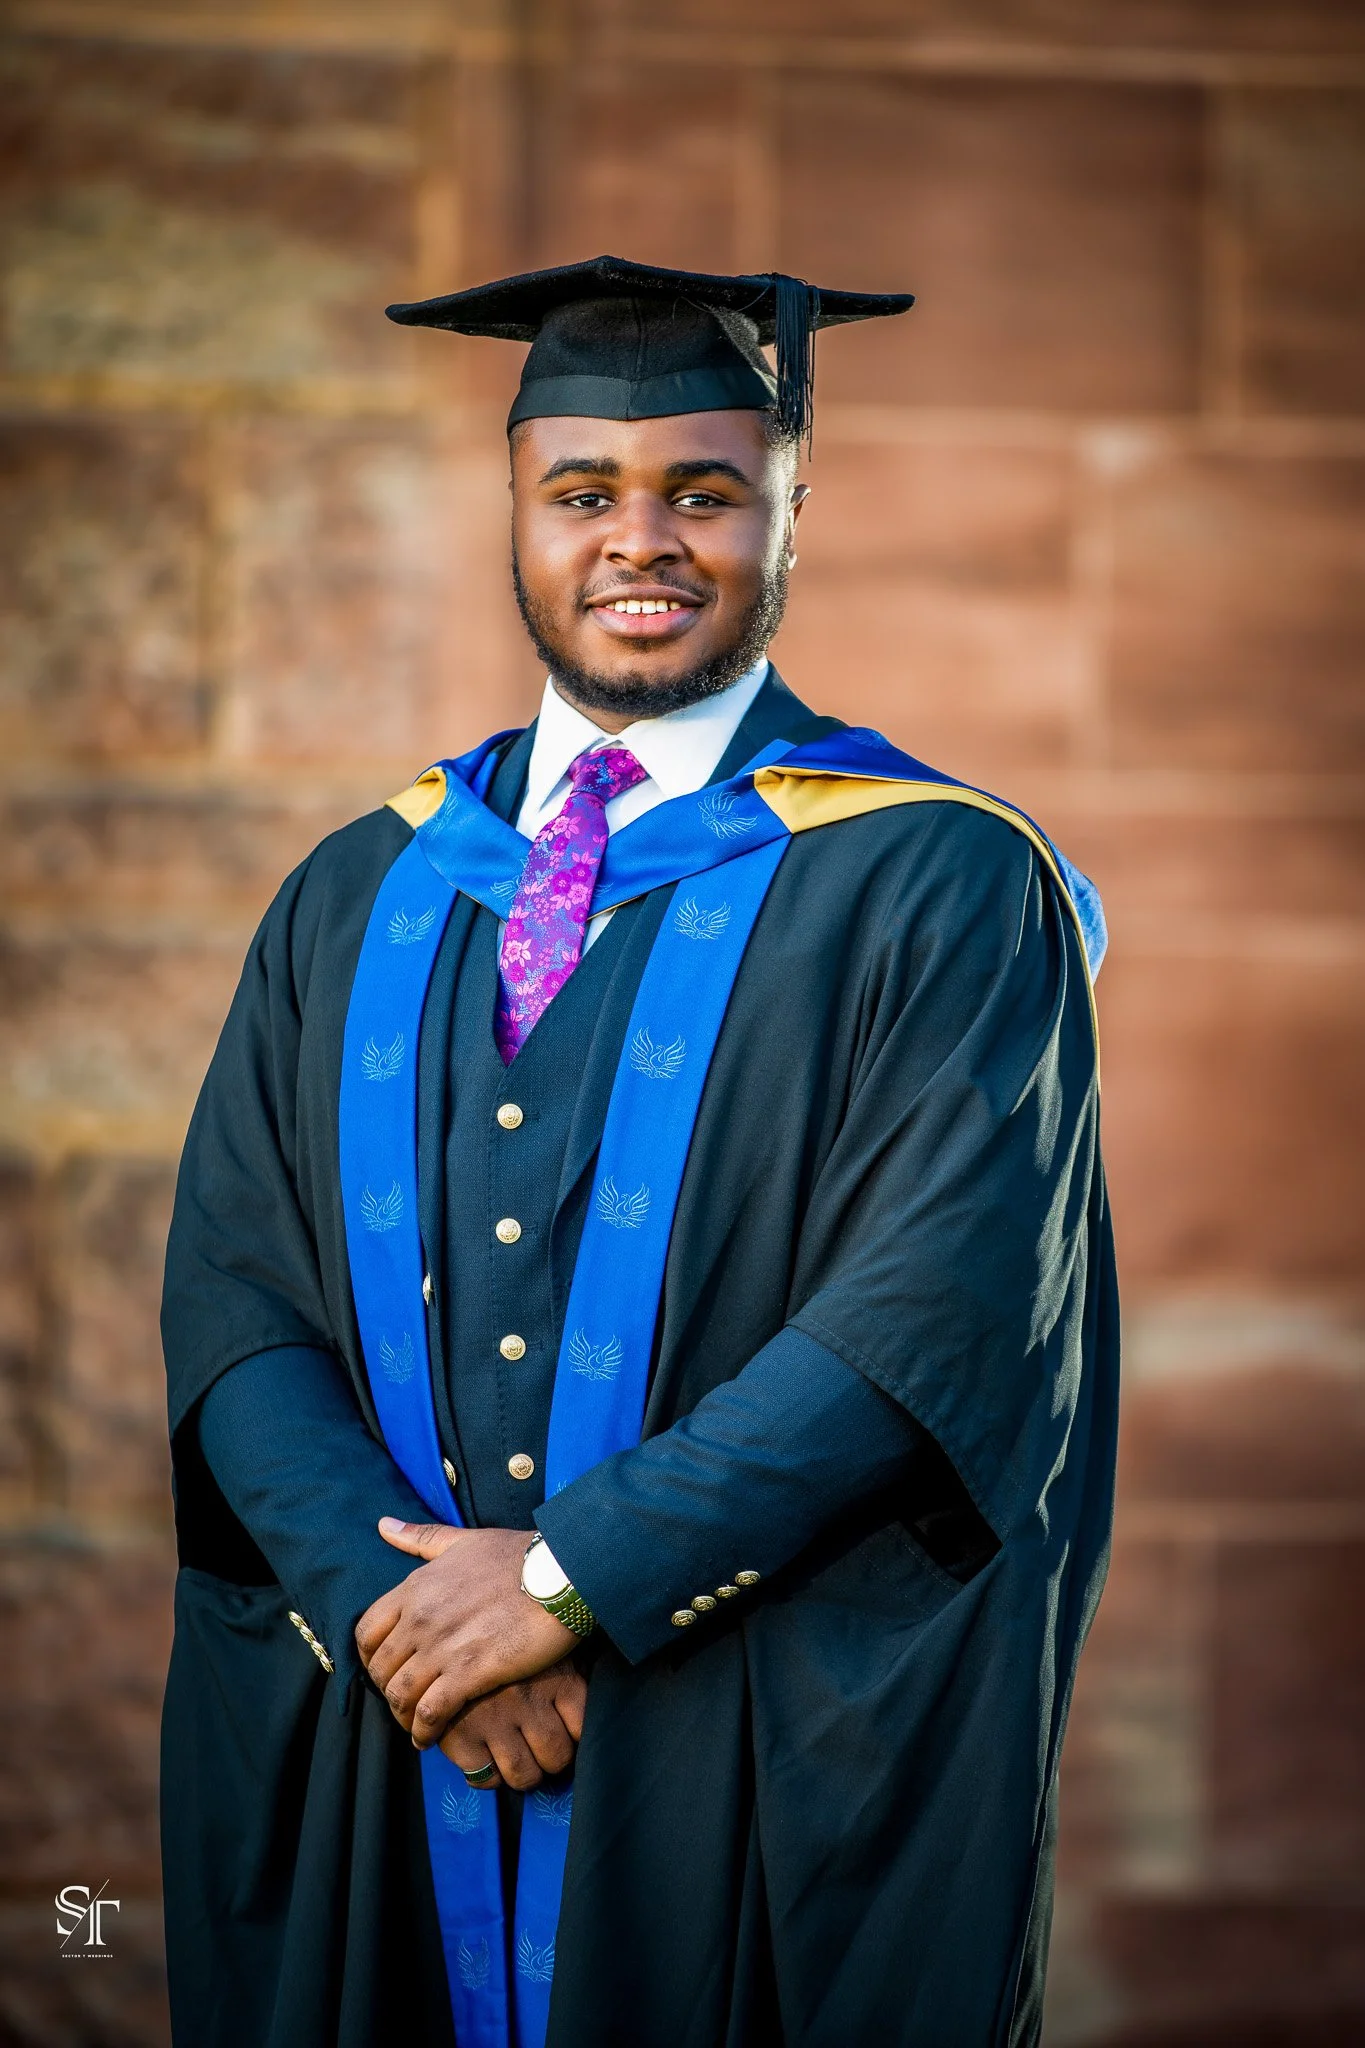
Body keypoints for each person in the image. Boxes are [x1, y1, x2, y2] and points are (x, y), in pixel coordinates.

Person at [160, 254, 1118, 2048]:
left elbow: (933, 1312)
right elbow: (235, 1297)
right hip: (402, 1729)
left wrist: (560, 1584)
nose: (642, 540)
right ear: (514, 514)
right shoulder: (361, 884)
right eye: (583, 493)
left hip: (732, 1727)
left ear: (790, 511)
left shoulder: (937, 878)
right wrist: (409, 1622)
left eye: (706, 491)